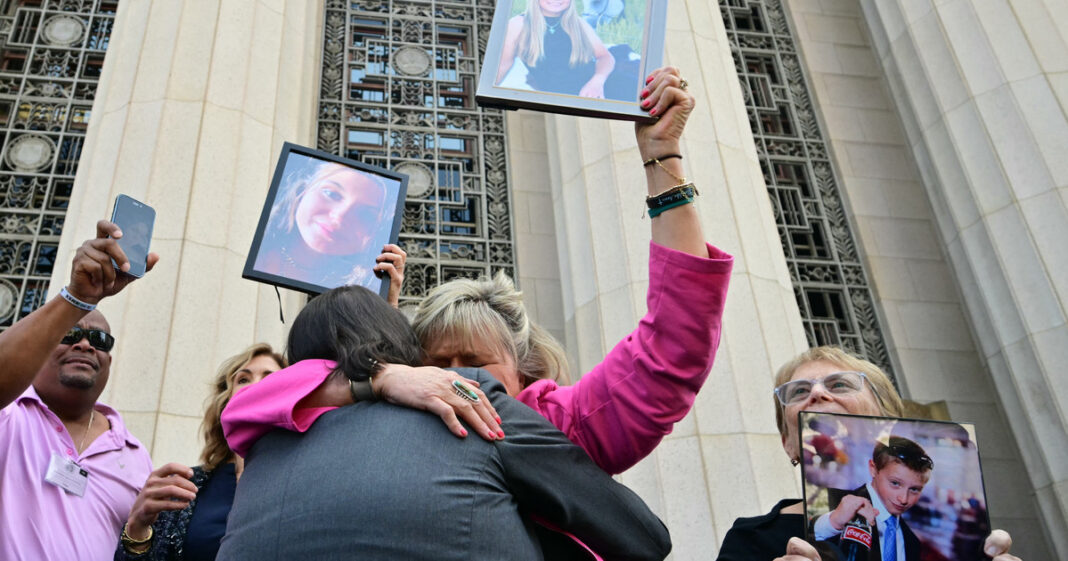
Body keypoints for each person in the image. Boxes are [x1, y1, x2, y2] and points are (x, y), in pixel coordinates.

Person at [223, 66, 731, 479]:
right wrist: (379, 380)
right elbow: (246, 409)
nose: (456, 375)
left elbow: (671, 350)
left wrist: (662, 156)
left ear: (524, 371)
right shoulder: (381, 409)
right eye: (439, 360)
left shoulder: (558, 425)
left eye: (477, 360)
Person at [216, 285, 672, 561]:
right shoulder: (463, 396)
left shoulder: (262, 455)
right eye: (439, 361)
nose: (451, 370)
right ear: (415, 358)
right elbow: (642, 537)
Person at [715, 346, 1021, 561]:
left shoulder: (945, 531)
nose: (818, 393)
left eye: (839, 384)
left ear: (887, 420)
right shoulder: (751, 539)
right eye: (798, 391)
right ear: (788, 444)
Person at [0, 220, 157, 560]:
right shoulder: (8, 416)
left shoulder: (134, 454)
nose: (85, 345)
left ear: (109, 361)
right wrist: (77, 298)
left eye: (99, 340)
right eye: (70, 334)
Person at [115, 343, 286, 561]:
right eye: (243, 379)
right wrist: (137, 528)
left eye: (269, 377)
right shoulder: (186, 487)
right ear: (227, 401)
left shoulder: (305, 480)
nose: (254, 385)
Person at [252, 156, 404, 293]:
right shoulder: (255, 248)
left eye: (365, 214)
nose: (339, 217)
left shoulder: (358, 294)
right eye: (331, 194)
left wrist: (389, 298)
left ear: (375, 233)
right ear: (302, 192)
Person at [812, 436, 932, 561]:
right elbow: (799, 538)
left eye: (914, 489)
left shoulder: (912, 542)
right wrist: (833, 523)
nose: (903, 499)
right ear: (873, 469)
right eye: (895, 483)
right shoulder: (832, 502)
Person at [496, 0, 633, 100]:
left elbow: (605, 57)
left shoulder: (577, 23)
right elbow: (503, 64)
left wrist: (597, 80)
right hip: (565, 98)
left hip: (599, 88)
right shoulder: (518, 24)